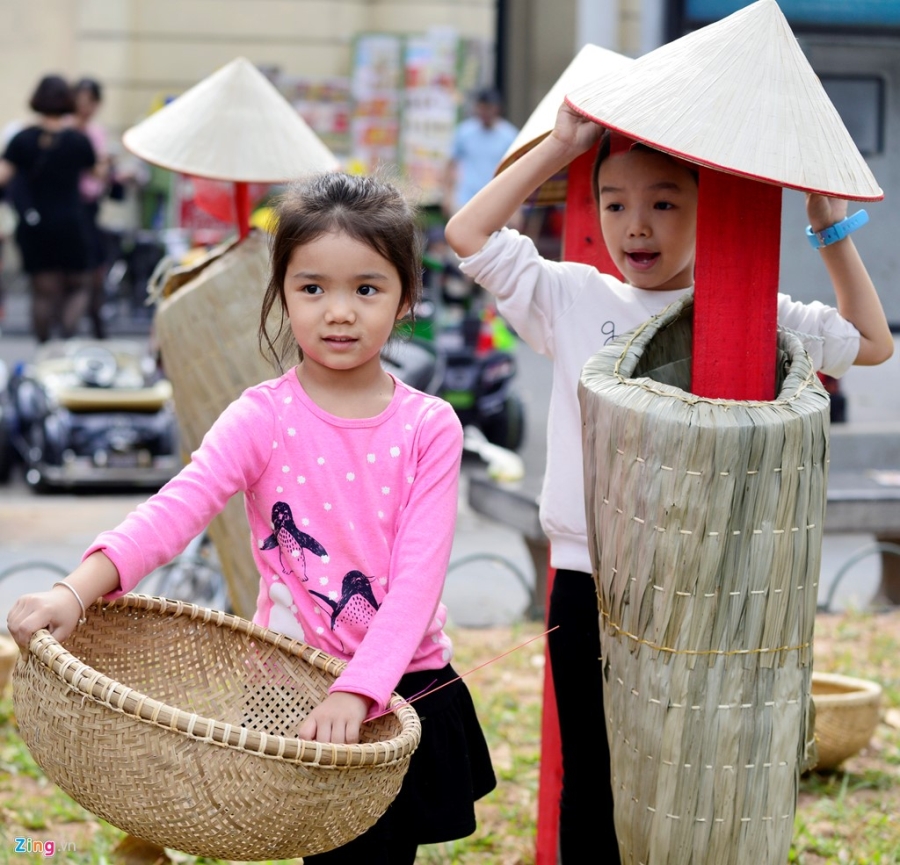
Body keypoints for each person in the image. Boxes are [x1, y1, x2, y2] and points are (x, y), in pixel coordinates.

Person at [444, 102, 894, 864]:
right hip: (590, 580)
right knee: (593, 773)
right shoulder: (572, 297)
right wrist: (560, 148)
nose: (635, 226)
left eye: (663, 203)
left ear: (706, 208)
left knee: (697, 776)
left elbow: (873, 343)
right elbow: (467, 235)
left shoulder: (756, 308)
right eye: (614, 204)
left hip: (708, 589)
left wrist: (828, 225)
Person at [8, 172, 496, 865]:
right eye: (312, 287)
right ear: (283, 294)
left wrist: (359, 692)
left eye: (367, 287)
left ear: (405, 296)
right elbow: (175, 509)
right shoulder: (261, 417)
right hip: (291, 683)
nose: (339, 311)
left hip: (400, 687)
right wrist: (73, 589)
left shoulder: (429, 426)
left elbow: (417, 585)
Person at [0, 75, 96, 342]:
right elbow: (98, 174)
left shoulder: (22, 139)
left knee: (43, 293)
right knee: (79, 286)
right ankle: (66, 336)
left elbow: (3, 177)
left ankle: (43, 350)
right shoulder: (78, 141)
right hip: (70, 222)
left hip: (35, 224)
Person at [72, 77, 112, 339]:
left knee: (95, 270)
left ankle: (96, 324)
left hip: (90, 206)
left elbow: (102, 172)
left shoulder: (96, 132)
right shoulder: (66, 130)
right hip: (71, 206)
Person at [444, 88, 518, 217]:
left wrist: (517, 207)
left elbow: (516, 170)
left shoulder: (509, 135)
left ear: (497, 108)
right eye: (482, 108)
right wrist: (447, 196)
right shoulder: (465, 131)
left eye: (488, 108)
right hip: (465, 199)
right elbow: (451, 164)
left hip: (496, 201)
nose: (485, 112)